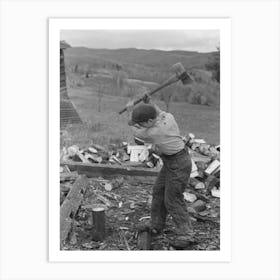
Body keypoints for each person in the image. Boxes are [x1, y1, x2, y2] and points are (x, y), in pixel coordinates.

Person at [126, 94, 194, 242]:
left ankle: (186, 233)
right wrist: (149, 101)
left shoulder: (154, 132)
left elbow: (134, 130)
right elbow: (157, 110)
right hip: (172, 161)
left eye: (142, 123)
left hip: (179, 164)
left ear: (150, 121)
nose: (141, 126)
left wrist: (129, 111)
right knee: (158, 192)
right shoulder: (168, 117)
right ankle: (156, 225)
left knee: (172, 199)